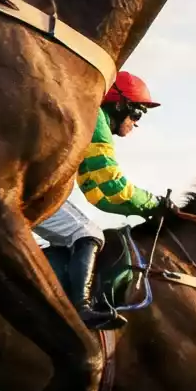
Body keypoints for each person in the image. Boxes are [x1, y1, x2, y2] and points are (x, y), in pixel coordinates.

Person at [37, 71, 163, 329]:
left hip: (36, 188)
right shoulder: (96, 120)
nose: (136, 123)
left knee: (85, 230)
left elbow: (98, 195)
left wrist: (148, 211)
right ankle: (81, 309)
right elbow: (111, 182)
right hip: (30, 190)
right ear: (119, 105)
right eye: (136, 113)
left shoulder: (94, 120)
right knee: (86, 231)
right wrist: (154, 203)